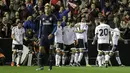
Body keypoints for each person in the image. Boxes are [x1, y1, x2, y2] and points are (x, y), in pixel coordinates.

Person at [36, 3, 57, 71]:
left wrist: (52, 33)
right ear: (44, 9)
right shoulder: (42, 17)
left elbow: (55, 27)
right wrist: (39, 36)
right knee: (41, 50)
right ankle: (41, 66)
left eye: (48, 8)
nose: (46, 9)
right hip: (43, 37)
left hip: (50, 37)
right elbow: (40, 27)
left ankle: (50, 67)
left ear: (50, 9)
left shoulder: (53, 17)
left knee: (50, 52)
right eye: (45, 8)